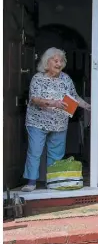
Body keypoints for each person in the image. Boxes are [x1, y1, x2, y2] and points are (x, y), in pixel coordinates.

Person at [21, 47, 91, 192]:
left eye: (61, 61)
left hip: (59, 123)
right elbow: (34, 99)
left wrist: (88, 106)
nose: (59, 64)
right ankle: (31, 182)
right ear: (47, 62)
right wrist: (54, 103)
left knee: (56, 154)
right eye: (56, 60)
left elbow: (74, 97)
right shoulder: (38, 78)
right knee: (35, 151)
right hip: (37, 121)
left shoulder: (66, 78)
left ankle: (52, 182)